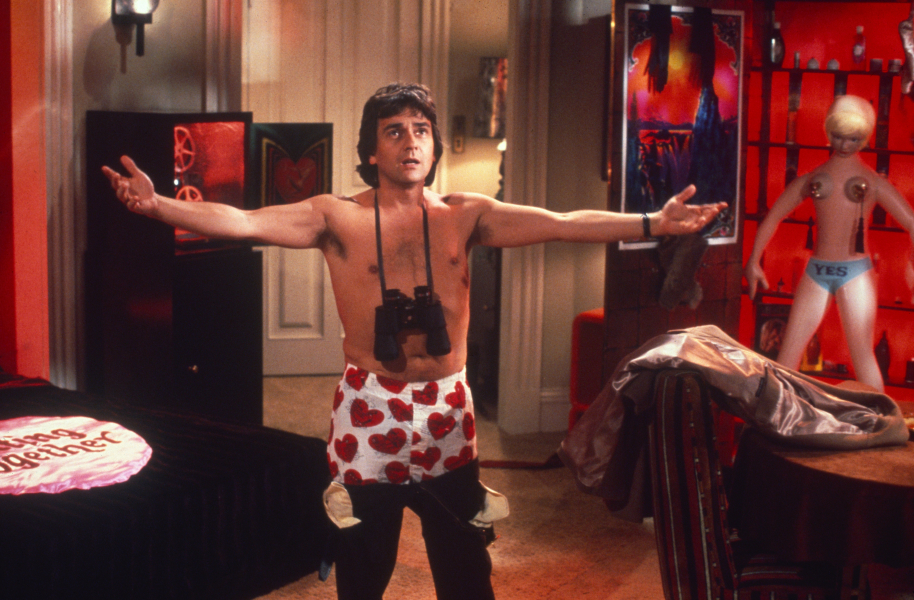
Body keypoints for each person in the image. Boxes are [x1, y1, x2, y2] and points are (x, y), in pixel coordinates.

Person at [103, 82, 724, 600]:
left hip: (449, 411)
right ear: (371, 151)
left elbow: (561, 223)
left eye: (421, 130)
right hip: (369, 409)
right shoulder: (336, 215)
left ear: (435, 145)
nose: (410, 142)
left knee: (464, 566)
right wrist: (159, 207)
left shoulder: (465, 213)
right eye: (394, 131)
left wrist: (653, 221)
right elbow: (241, 220)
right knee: (364, 565)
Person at [745, 94, 914, 392]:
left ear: (864, 138)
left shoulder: (872, 181)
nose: (844, 144)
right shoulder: (814, 178)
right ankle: (777, 411)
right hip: (818, 271)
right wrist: (753, 261)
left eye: (853, 138)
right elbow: (774, 216)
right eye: (838, 136)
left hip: (855, 273)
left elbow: (911, 223)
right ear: (828, 132)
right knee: (788, 355)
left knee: (862, 356)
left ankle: (881, 417)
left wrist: (911, 268)